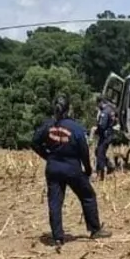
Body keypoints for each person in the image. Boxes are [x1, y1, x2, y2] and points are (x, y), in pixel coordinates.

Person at [31, 95, 112, 248]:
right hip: (72, 168)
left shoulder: (48, 125)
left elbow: (34, 142)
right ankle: (95, 230)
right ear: (69, 109)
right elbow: (84, 151)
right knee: (88, 196)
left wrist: (47, 156)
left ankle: (57, 238)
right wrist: (87, 169)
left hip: (53, 168)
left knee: (55, 203)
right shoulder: (75, 127)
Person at [93, 96, 117, 180]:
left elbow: (102, 126)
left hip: (105, 136)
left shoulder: (104, 112)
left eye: (97, 104)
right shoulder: (111, 109)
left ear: (100, 102)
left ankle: (102, 174)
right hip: (109, 134)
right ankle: (109, 166)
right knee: (98, 152)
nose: (97, 106)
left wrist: (96, 130)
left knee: (100, 153)